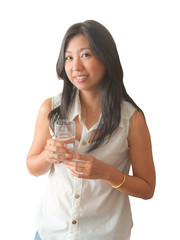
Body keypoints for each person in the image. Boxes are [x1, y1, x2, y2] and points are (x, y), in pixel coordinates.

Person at [26, 20, 156, 240]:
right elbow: (32, 166)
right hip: (50, 233)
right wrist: (47, 156)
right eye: (69, 57)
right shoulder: (51, 108)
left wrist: (106, 173)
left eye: (86, 55)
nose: (75, 66)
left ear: (106, 58)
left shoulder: (132, 119)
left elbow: (147, 188)